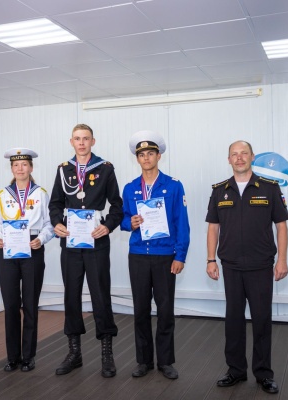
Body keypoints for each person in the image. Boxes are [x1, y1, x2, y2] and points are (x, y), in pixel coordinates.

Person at [205, 140, 288, 394]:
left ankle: (263, 373)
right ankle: (236, 371)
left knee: (262, 320)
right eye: (234, 154)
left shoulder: (269, 188)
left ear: (252, 157)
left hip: (261, 265)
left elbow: (281, 226)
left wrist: (282, 260)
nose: (239, 158)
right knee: (233, 321)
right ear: (228, 159)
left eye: (244, 153)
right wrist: (211, 259)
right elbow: (213, 228)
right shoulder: (220, 191)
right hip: (231, 266)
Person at [49, 123, 123, 378]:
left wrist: (108, 226)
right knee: (71, 296)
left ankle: (107, 354)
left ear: (93, 141)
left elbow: (117, 205)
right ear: (72, 142)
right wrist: (57, 223)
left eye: (86, 138)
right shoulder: (63, 169)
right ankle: (74, 353)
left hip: (96, 241)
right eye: (77, 139)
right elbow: (55, 204)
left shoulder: (105, 169)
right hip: (71, 243)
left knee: (101, 295)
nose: (81, 143)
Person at [120, 130, 190, 380]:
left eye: (150, 153)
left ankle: (166, 361)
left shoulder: (173, 185)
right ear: (137, 159)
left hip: (164, 256)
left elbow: (182, 223)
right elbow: (123, 219)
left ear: (159, 156)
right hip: (138, 255)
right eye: (142, 155)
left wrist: (180, 256)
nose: (146, 158)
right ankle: (144, 361)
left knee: (165, 310)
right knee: (140, 310)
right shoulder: (130, 188)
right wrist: (130, 223)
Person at [0, 148, 54, 373]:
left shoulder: (40, 193)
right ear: (11, 169)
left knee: (30, 304)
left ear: (31, 167)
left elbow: (49, 224)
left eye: (24, 165)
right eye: (16, 165)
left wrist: (41, 239)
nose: (20, 169)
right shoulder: (3, 194)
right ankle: (12, 357)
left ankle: (28, 356)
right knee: (10, 305)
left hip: (32, 249)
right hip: (8, 251)